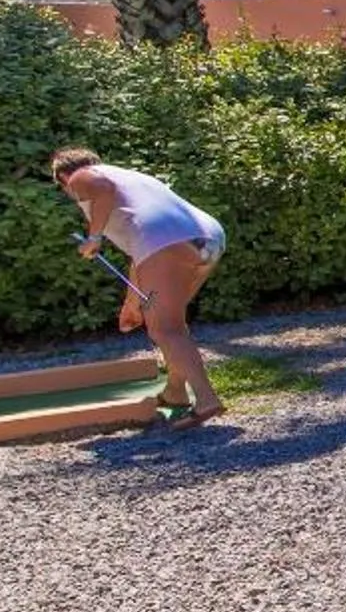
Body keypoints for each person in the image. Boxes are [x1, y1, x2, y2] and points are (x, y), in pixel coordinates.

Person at [51, 148, 227, 428]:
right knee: (172, 325)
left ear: (62, 177)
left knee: (164, 329)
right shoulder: (131, 180)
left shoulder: (81, 176)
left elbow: (102, 189)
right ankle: (175, 392)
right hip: (207, 237)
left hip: (166, 243)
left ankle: (206, 399)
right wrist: (132, 305)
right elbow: (142, 256)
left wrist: (94, 237)